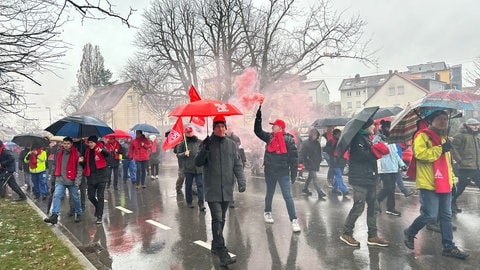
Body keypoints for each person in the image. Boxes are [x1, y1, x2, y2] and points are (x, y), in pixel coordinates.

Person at [403, 110, 469, 259]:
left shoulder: (444, 138)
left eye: (445, 119)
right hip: (429, 183)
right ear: (431, 121)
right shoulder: (422, 136)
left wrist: (452, 181)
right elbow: (421, 155)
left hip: (445, 183)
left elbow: (447, 164)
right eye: (439, 119)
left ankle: (448, 246)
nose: (443, 122)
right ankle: (410, 231)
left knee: (446, 216)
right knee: (430, 216)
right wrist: (440, 149)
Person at [195, 116, 246, 266]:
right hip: (212, 188)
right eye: (217, 126)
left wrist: (241, 181)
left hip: (227, 188)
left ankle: (215, 245)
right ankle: (223, 253)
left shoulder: (231, 145)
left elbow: (237, 164)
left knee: (222, 219)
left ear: (226, 128)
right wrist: (205, 150)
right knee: (217, 218)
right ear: (214, 128)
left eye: (223, 126)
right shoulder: (206, 143)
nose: (220, 129)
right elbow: (198, 162)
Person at [340, 117, 390, 247]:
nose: (374, 127)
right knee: (359, 206)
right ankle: (346, 233)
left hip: (370, 178)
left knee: (373, 207)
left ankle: (372, 236)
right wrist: (375, 151)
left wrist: (376, 148)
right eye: (372, 125)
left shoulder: (368, 138)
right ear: (366, 126)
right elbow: (360, 156)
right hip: (360, 179)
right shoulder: (357, 139)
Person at [253, 107, 301, 233]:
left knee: (287, 196)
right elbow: (257, 131)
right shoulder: (269, 137)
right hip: (270, 172)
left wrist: (294, 174)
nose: (272, 128)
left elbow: (294, 159)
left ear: (280, 127)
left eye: (274, 126)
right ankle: (267, 212)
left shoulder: (289, 140)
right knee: (270, 193)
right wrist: (258, 116)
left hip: (283, 173)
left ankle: (294, 220)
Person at [44, 137, 83, 224]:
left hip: (72, 180)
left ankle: (79, 213)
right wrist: (53, 176)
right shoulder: (58, 153)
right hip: (60, 179)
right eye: (64, 143)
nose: (66, 145)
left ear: (71, 144)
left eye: (68, 143)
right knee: (57, 196)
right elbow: (55, 165)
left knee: (75, 198)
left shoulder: (76, 154)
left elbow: (79, 169)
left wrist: (77, 181)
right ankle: (55, 215)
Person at [373, 120, 407, 217]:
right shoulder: (377, 139)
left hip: (393, 168)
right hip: (384, 169)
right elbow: (375, 152)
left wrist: (401, 164)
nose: (390, 130)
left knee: (391, 189)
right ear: (383, 128)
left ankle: (391, 208)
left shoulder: (391, 139)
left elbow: (395, 154)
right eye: (388, 128)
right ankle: (376, 201)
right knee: (388, 188)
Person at [451, 118, 480, 213]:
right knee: (460, 187)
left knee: (461, 186)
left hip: (476, 167)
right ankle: (451, 202)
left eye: (477, 124)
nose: (476, 126)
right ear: (467, 125)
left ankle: (451, 202)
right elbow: (454, 148)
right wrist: (460, 161)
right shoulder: (460, 135)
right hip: (465, 167)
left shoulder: (476, 136)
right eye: (473, 125)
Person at [82, 135, 109, 224]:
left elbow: (107, 154)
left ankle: (99, 216)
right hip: (90, 176)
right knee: (90, 196)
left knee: (100, 196)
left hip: (101, 176)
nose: (90, 144)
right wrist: (81, 162)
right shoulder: (87, 151)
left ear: (95, 143)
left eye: (92, 142)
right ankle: (98, 207)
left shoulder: (100, 148)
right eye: (89, 142)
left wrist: (102, 150)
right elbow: (85, 164)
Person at [177, 126, 205, 210]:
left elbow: (204, 153)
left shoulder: (199, 142)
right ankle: (189, 202)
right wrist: (184, 154)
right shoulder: (182, 143)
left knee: (200, 185)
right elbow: (178, 155)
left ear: (193, 132)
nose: (189, 134)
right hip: (188, 168)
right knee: (188, 186)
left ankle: (201, 204)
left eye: (190, 132)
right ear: (185, 133)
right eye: (188, 132)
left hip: (199, 168)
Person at [298, 128, 326, 198]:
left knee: (310, 177)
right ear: (310, 135)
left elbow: (319, 152)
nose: (314, 136)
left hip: (316, 162)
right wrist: (300, 162)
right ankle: (320, 192)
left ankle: (305, 188)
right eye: (313, 135)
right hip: (309, 162)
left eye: (316, 135)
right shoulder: (305, 143)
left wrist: (320, 158)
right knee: (314, 177)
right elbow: (301, 153)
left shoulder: (317, 143)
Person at [324, 128, 349, 196]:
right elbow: (327, 150)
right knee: (339, 176)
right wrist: (334, 146)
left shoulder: (342, 141)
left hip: (342, 161)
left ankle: (334, 189)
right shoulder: (331, 141)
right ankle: (344, 190)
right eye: (337, 134)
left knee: (338, 176)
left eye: (340, 134)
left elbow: (346, 149)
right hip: (334, 162)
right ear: (334, 135)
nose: (339, 135)